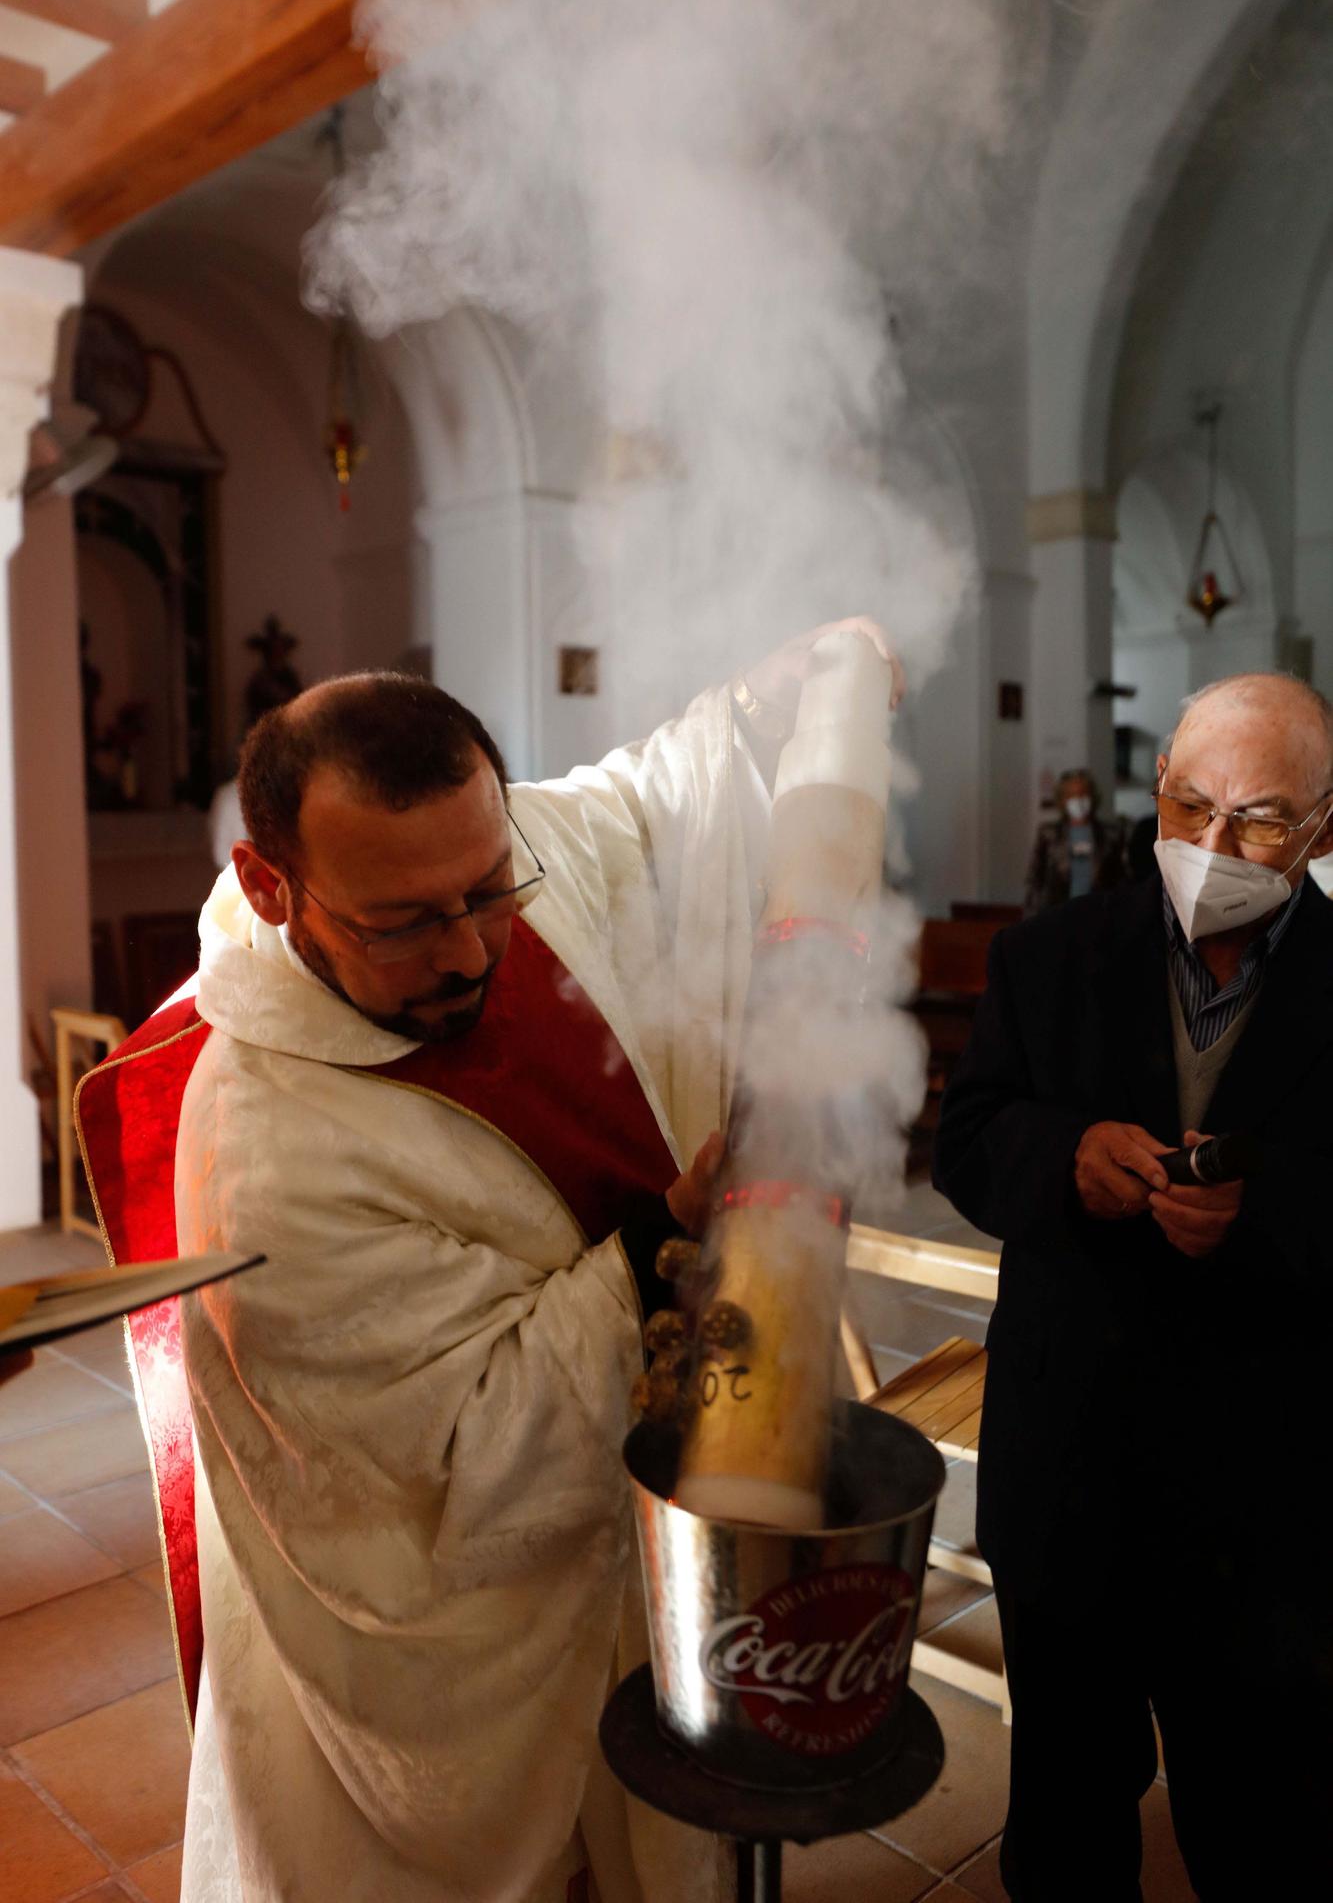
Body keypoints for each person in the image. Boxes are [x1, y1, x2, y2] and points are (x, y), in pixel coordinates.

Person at [81, 618, 894, 1903]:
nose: (467, 949)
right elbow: (450, 1465)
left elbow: (638, 805)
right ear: (275, 882)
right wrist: (658, 1245)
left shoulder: (494, 852)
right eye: (404, 923)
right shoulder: (262, 1153)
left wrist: (761, 705)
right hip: (467, 1653)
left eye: (486, 890)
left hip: (636, 1531)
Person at [934, 671, 1333, 1900]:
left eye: (1260, 819)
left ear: (1321, 825)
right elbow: (970, 1137)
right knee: (1065, 1812)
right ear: (1152, 793)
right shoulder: (1047, 956)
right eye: (1188, 805)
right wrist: (1063, 1158)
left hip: (1266, 1494)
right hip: (1071, 1465)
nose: (1214, 846)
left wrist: (1259, 1223)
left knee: (1261, 1815)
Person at [1023, 767, 1127, 914]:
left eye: (1083, 793)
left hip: (1099, 913)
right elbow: (1035, 880)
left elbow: (1121, 880)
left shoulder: (1111, 834)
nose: (1078, 799)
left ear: (1092, 796)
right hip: (1057, 914)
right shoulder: (1049, 834)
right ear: (1063, 800)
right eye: (1072, 795)